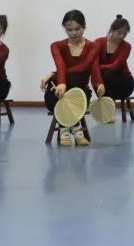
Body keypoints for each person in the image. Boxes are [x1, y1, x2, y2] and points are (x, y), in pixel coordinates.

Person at [40, 10, 97, 147]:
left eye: (77, 29)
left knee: (73, 79)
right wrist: (60, 81)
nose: (73, 33)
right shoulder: (56, 45)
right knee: (59, 87)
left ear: (84, 26)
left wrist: (53, 74)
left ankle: (65, 129)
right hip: (58, 92)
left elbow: (83, 67)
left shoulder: (93, 46)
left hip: (80, 92)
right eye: (69, 30)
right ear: (64, 28)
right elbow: (60, 64)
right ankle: (74, 128)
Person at [91, 15, 134, 101]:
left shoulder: (127, 46)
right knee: (98, 77)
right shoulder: (98, 42)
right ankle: (106, 105)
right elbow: (94, 65)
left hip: (123, 82)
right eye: (119, 33)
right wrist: (99, 82)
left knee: (107, 74)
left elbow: (114, 66)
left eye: (125, 34)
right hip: (104, 81)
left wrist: (97, 67)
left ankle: (107, 105)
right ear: (112, 30)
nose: (122, 36)